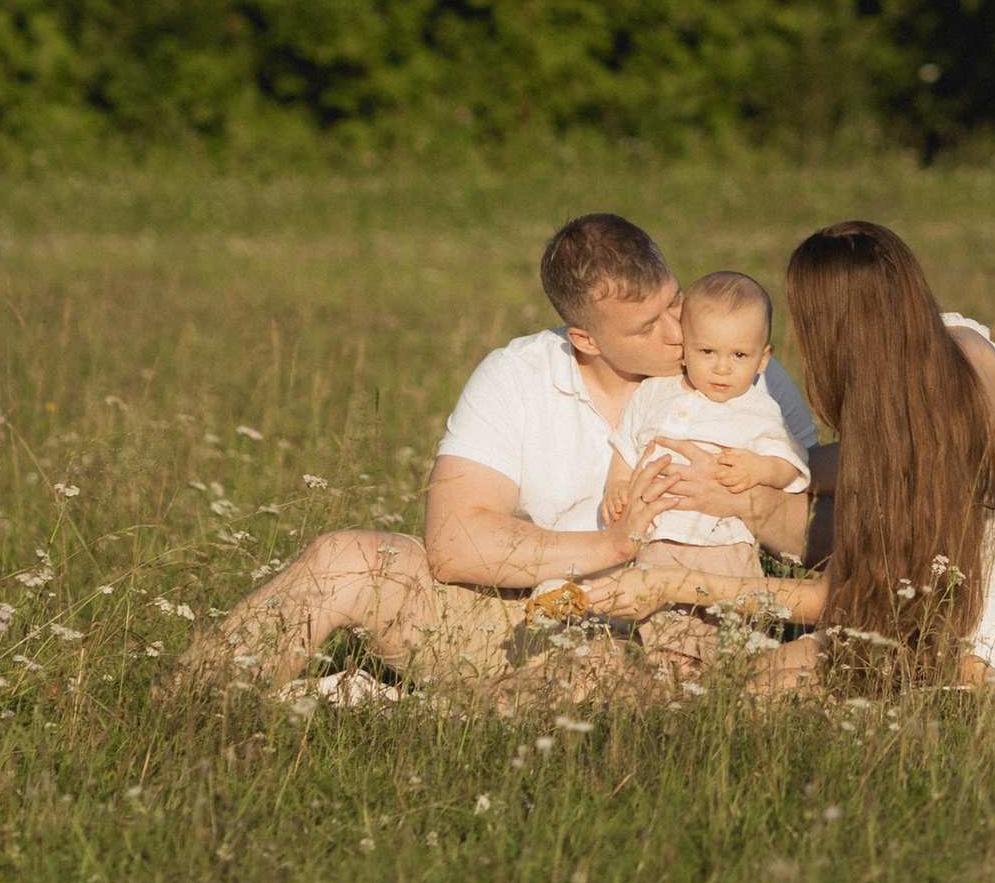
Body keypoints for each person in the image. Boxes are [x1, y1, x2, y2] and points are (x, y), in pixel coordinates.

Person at [188, 210, 816, 692]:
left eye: (673, 304)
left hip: (679, 626)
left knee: (596, 676)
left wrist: (743, 499)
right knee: (346, 559)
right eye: (647, 327)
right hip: (525, 615)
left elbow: (820, 531)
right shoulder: (518, 374)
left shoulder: (743, 370)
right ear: (585, 339)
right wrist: (610, 546)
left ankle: (412, 712)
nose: (681, 333)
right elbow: (454, 545)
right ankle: (185, 704)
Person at [608, 218, 995, 694]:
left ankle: (977, 681)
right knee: (729, 684)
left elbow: (839, 598)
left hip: (952, 637)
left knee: (736, 691)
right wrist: (763, 471)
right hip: (935, 621)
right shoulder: (952, 347)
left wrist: (673, 585)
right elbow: (865, 463)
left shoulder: (945, 399)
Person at [603, 270, 811, 589]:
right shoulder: (653, 392)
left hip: (725, 542)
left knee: (732, 622)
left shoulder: (761, 409)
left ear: (763, 359)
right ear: (685, 349)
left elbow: (791, 466)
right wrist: (618, 483)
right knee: (660, 622)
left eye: (739, 355)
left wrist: (760, 468)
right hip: (656, 539)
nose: (722, 367)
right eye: (707, 352)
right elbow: (627, 447)